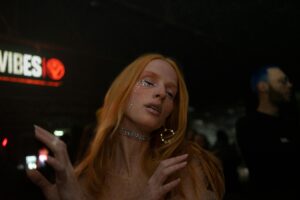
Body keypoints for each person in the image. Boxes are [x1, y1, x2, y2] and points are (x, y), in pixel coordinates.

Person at [26, 53, 225, 200]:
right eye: (148, 82)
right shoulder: (84, 179)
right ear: (122, 92)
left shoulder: (183, 169)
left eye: (171, 93)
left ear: (168, 114)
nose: (162, 93)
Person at [235, 65, 299, 199]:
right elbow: (270, 168)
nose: (290, 85)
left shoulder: (291, 122)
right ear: (263, 87)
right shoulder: (248, 125)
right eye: (282, 81)